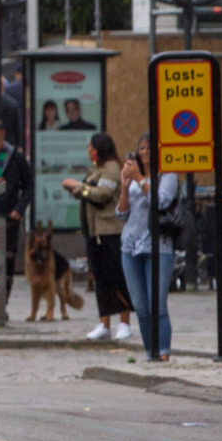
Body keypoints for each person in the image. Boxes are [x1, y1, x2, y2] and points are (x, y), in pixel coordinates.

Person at [64, 131, 133, 344]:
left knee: (116, 276)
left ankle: (125, 322)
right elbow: (89, 193)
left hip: (110, 231)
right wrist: (79, 190)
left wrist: (79, 187)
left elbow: (102, 195)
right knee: (100, 279)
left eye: (91, 147)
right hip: (94, 232)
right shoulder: (97, 169)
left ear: (99, 148)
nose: (88, 151)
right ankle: (104, 323)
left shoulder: (112, 169)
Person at [118, 134, 181, 363]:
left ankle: (163, 351)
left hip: (158, 246)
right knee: (141, 306)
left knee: (157, 303)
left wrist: (140, 180)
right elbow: (122, 213)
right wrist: (125, 186)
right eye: (141, 148)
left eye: (149, 149)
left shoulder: (167, 174)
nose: (144, 153)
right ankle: (149, 352)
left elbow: (161, 200)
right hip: (131, 246)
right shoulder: (133, 177)